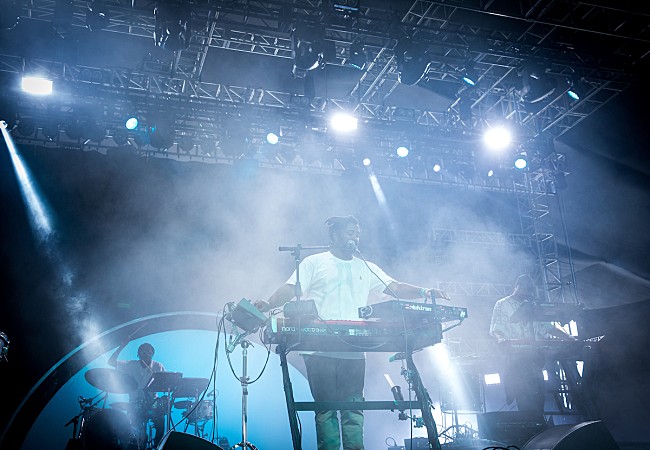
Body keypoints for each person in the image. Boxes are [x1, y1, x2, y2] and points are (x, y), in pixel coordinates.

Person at [255, 215, 450, 450]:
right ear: (333, 235)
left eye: (357, 233)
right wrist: (267, 303)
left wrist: (425, 291)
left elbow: (394, 287)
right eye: (349, 232)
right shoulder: (314, 262)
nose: (354, 237)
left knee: (354, 409)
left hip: (355, 351)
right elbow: (291, 288)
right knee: (325, 409)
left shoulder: (366, 267)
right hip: (319, 348)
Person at [489, 274, 575, 414]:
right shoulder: (502, 304)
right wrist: (501, 340)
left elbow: (549, 327)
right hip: (516, 358)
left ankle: (538, 423)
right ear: (517, 287)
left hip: (535, 358)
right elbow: (496, 328)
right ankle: (530, 424)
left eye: (530, 292)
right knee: (523, 395)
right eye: (525, 290)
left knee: (538, 394)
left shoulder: (533, 306)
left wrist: (568, 336)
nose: (527, 294)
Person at [108, 341, 166, 449]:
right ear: (138, 354)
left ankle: (157, 445)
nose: (146, 353)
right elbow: (111, 362)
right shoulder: (130, 365)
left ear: (152, 353)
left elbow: (167, 383)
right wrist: (122, 345)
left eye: (148, 351)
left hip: (153, 403)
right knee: (133, 431)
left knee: (161, 420)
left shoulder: (158, 366)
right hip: (134, 403)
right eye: (143, 351)